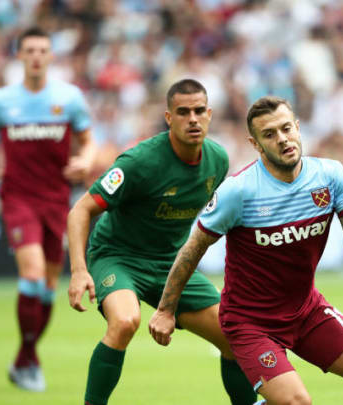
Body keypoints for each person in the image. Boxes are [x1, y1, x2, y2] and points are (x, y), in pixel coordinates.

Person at [149, 96, 343, 405]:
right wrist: (165, 309)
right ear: (256, 144)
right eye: (269, 134)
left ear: (298, 128)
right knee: (297, 402)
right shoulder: (238, 191)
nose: (282, 139)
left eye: (286, 128)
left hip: (306, 309)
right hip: (250, 322)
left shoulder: (330, 175)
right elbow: (192, 249)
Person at [66, 79, 256, 405]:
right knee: (126, 322)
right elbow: (80, 210)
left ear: (209, 114)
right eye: (183, 112)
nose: (193, 119)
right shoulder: (139, 162)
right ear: (169, 118)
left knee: (233, 337)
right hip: (118, 257)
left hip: (171, 263)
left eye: (199, 111)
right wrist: (79, 270)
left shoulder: (218, 161)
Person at [0, 27, 96, 392]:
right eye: (30, 50)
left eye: (43, 50)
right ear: (20, 55)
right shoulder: (2, 101)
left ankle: (25, 358)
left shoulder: (69, 99)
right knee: (32, 272)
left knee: (45, 287)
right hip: (18, 198)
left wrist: (84, 160)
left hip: (56, 200)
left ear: (51, 56)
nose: (37, 56)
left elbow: (88, 140)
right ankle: (28, 360)